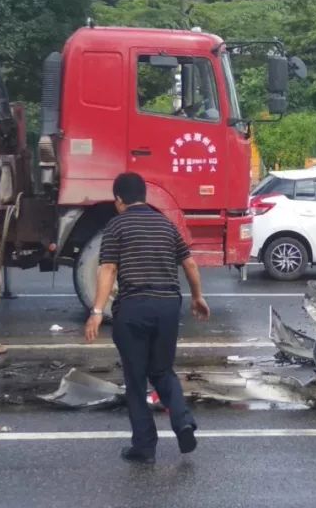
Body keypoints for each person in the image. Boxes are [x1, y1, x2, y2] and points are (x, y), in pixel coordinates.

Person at [84, 172, 210, 464]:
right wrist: (198, 296)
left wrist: (97, 311)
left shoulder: (116, 225)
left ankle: (144, 446)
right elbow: (189, 263)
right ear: (144, 195)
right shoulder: (165, 224)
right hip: (167, 306)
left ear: (119, 200)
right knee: (163, 371)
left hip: (134, 308)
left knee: (136, 379)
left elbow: (108, 269)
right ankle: (183, 421)